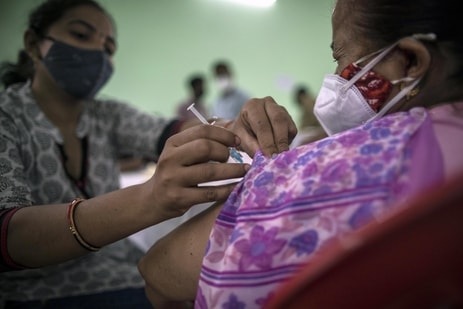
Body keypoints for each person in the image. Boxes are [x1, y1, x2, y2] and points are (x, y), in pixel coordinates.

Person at [137, 0, 463, 308]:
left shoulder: (327, 171)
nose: (336, 77)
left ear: (409, 61)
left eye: (340, 58)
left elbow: (159, 273)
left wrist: (277, 174)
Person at [0, 0, 297, 307]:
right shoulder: (6, 118)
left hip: (124, 274)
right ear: (33, 44)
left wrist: (234, 126)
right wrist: (150, 198)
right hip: (38, 294)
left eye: (109, 48)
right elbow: (11, 238)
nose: (97, 53)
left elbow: (174, 130)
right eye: (80, 35)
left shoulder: (106, 115)